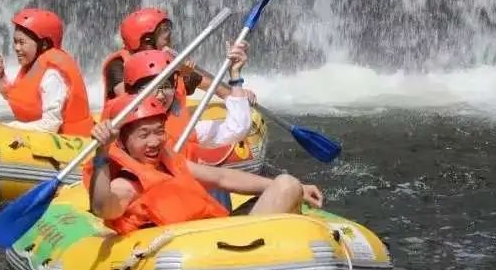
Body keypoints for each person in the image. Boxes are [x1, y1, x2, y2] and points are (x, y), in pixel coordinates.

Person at [85, 95, 323, 234]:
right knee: (287, 187)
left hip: (217, 240)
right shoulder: (127, 183)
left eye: (159, 132)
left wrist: (300, 187)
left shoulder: (167, 163)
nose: (154, 142)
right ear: (123, 143)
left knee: (286, 184)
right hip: (196, 258)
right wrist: (101, 154)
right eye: (143, 135)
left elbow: (223, 178)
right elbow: (103, 208)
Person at [121, 47, 252, 164]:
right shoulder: (121, 130)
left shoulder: (186, 128)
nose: (160, 96)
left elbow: (237, 129)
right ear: (134, 92)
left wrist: (235, 75)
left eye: (166, 87)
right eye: (151, 88)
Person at [101, 7, 255, 104]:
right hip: (132, 132)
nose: (170, 39)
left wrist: (236, 94)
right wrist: (176, 79)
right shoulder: (118, 65)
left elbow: (207, 83)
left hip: (164, 130)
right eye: (165, 35)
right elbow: (130, 100)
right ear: (146, 41)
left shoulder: (167, 60)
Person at [0, 8, 94, 136]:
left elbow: (50, 125)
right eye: (15, 42)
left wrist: (5, 127)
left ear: (43, 44)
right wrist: (0, 75)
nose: (16, 48)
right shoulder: (33, 67)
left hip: (73, 144)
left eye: (22, 43)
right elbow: (14, 96)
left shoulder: (52, 75)